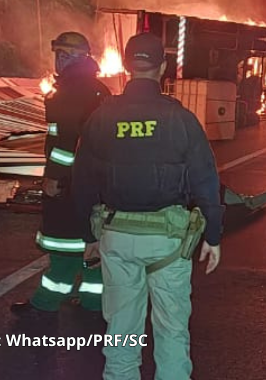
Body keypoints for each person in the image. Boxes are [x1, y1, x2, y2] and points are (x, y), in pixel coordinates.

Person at [72, 32, 224, 380]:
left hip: (117, 236)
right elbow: (205, 180)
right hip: (169, 241)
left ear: (127, 67)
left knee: (122, 330)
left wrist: (88, 235)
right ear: (164, 67)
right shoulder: (180, 119)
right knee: (171, 329)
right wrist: (212, 236)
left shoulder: (101, 118)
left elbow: (81, 182)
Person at [12, 31, 111, 316]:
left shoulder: (69, 90)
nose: (56, 60)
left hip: (71, 182)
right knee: (91, 240)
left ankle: (46, 301)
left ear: (69, 57)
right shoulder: (98, 89)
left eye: (59, 55)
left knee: (63, 242)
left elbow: (65, 140)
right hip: (96, 181)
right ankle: (93, 300)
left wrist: (55, 176)